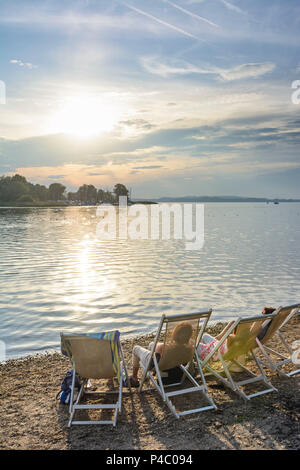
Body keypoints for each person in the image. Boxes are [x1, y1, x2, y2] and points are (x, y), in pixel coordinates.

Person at [196, 306, 277, 362]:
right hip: (223, 346)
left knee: (195, 346)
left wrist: (229, 337)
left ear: (265, 318)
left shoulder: (254, 333)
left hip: (217, 351)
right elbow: (249, 335)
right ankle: (217, 338)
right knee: (205, 336)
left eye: (262, 314)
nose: (260, 316)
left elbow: (234, 339)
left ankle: (216, 340)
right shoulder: (262, 332)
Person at [129, 322, 194, 387]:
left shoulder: (167, 347)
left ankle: (134, 378)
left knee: (136, 348)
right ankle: (146, 375)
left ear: (175, 334)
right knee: (151, 344)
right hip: (177, 372)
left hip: (162, 370)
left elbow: (158, 350)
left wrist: (162, 345)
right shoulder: (190, 347)